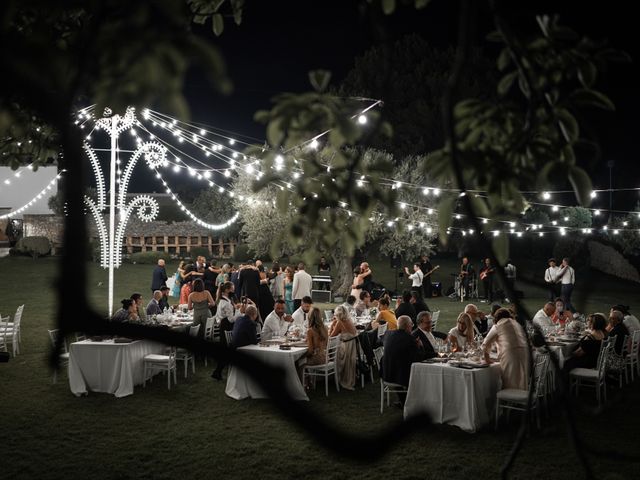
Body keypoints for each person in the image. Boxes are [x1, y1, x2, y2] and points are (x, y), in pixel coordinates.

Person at [482, 308, 530, 390]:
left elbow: (485, 343)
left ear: (496, 318)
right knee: (522, 379)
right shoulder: (516, 324)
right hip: (525, 353)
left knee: (509, 381)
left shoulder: (498, 325)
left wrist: (487, 359)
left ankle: (510, 400)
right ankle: (521, 399)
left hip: (509, 354)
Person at [211, 281, 250, 380]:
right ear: (227, 290)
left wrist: (236, 309)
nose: (234, 290)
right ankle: (218, 372)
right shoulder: (226, 303)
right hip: (226, 326)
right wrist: (239, 311)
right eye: (233, 289)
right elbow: (231, 319)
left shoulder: (223, 300)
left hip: (223, 325)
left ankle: (218, 372)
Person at [382, 315, 425, 405]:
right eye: (411, 325)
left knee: (400, 364)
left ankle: (403, 401)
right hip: (400, 377)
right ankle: (410, 402)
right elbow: (419, 357)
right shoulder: (409, 339)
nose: (412, 327)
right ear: (407, 326)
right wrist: (420, 346)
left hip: (386, 373)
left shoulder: (388, 334)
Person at [328, 305, 358, 390]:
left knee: (331, 349)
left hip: (346, 347)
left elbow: (331, 336)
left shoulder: (340, 322)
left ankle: (335, 375)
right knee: (333, 347)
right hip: (352, 345)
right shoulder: (349, 320)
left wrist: (332, 324)